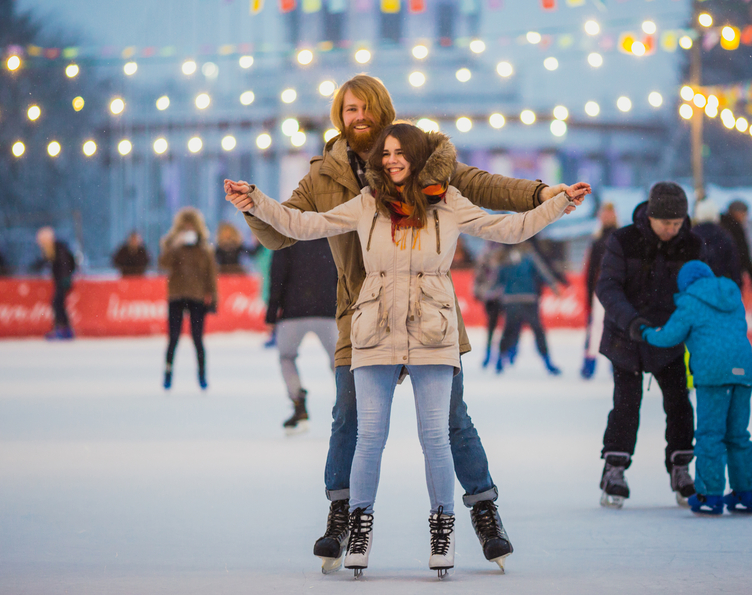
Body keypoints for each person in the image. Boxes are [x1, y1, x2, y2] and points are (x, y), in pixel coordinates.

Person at [232, 72, 587, 575]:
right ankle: (343, 515)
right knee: (351, 421)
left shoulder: (430, 166)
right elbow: (288, 228)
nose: (358, 118)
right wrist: (253, 206)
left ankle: (483, 512)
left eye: (366, 108)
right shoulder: (327, 175)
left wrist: (543, 195)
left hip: (429, 317)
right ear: (341, 117)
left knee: (451, 423)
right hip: (363, 312)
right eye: (349, 110)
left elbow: (489, 194)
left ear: (385, 113)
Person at [595, 181, 702, 509]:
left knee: (679, 403)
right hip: (625, 335)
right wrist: (633, 322)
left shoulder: (692, 245)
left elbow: (700, 291)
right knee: (627, 403)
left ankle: (680, 466)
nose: (672, 229)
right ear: (651, 217)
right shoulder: (623, 240)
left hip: (668, 337)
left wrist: (679, 326)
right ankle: (614, 469)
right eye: (666, 223)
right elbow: (608, 287)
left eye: (677, 223)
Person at [638, 261, 752, 515]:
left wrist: (647, 333)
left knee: (710, 435)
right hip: (744, 371)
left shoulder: (690, 300)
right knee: (738, 435)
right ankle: (746, 492)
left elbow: (670, 336)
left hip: (713, 374)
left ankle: (709, 495)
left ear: (685, 284)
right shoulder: (731, 296)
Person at [265, 239, 339, 433]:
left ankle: (298, 403)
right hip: (327, 309)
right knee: (339, 360)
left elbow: (277, 276)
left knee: (286, 357)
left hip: (293, 311)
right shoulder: (331, 236)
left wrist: (272, 312)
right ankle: (346, 404)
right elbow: (342, 274)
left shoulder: (286, 238)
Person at [159, 208, 218, 391]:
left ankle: (202, 375)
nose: (188, 229)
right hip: (176, 295)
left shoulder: (205, 250)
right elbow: (162, 265)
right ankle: (168, 373)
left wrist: (213, 298)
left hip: (197, 297)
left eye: (191, 225)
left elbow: (211, 276)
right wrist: (174, 246)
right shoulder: (173, 246)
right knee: (173, 337)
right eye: (185, 226)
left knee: (198, 338)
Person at [493, 243, 563, 375]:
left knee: (508, 331)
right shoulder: (529, 255)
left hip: (512, 300)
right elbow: (542, 272)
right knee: (537, 331)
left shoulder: (503, 257)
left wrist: (489, 291)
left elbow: (497, 280)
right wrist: (553, 285)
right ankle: (548, 362)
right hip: (528, 299)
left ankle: (500, 361)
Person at [582, 202, 618, 379]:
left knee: (616, 329)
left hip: (616, 292)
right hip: (600, 292)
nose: (607, 217)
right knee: (595, 330)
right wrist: (589, 296)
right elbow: (590, 272)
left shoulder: (619, 239)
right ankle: (588, 366)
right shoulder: (597, 241)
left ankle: (616, 365)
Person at [35, 227, 76, 340]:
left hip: (63, 281)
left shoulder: (58, 249)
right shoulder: (55, 249)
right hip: (61, 280)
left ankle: (62, 329)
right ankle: (65, 329)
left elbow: (65, 264)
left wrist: (65, 279)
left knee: (57, 304)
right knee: (58, 304)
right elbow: (46, 262)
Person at [691, 198, 741, 286]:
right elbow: (734, 267)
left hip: (696, 288)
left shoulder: (690, 236)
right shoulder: (725, 236)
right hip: (720, 288)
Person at [473, 245, 505, 368]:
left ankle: (498, 355)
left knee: (499, 328)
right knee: (493, 327)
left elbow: (478, 276)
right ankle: (491, 354)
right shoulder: (486, 257)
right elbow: (478, 275)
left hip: (499, 295)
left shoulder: (500, 255)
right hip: (493, 296)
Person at [720, 200, 752, 285]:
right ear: (736, 213)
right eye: (744, 214)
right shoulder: (736, 229)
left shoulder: (720, 225)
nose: (745, 218)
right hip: (732, 275)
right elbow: (743, 254)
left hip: (720, 274)